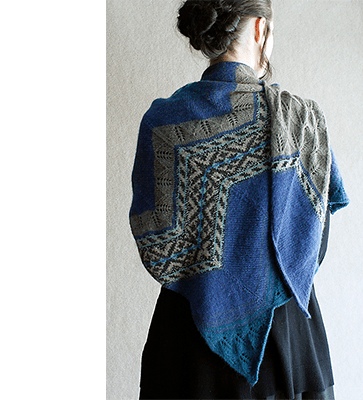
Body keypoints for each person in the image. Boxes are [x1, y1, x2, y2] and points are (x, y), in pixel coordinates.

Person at [129, 1, 349, 399]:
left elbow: (157, 241)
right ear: (261, 28)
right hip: (285, 344)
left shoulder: (163, 125)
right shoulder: (300, 120)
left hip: (187, 343)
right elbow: (312, 243)